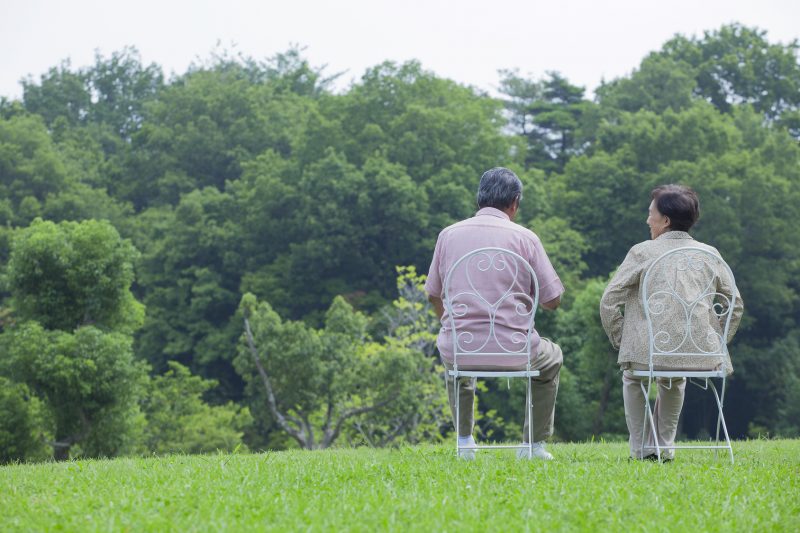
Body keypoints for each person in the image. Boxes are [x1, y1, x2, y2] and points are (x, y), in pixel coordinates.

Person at [424, 167, 564, 460]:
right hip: (515, 349)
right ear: (514, 202)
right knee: (553, 358)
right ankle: (533, 445)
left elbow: (432, 292)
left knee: (456, 363)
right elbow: (552, 300)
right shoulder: (526, 238)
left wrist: (448, 323)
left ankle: (464, 442)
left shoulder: (448, 235)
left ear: (480, 199)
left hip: (462, 348)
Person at [599, 184, 744, 461]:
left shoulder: (642, 252)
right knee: (674, 378)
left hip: (651, 353)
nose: (646, 220)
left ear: (665, 221)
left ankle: (641, 450)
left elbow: (608, 300)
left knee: (632, 376)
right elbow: (735, 303)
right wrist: (716, 340)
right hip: (702, 354)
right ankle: (664, 448)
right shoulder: (710, 253)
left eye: (650, 213)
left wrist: (623, 340)